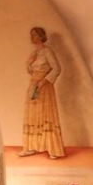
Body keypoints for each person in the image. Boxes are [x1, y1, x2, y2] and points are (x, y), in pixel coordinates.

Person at [21, 26, 65, 158]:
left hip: (44, 86)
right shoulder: (35, 53)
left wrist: (43, 81)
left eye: (35, 35)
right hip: (33, 84)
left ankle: (53, 149)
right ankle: (31, 146)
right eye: (31, 35)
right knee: (32, 113)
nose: (32, 37)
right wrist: (29, 64)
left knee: (46, 114)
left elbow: (56, 68)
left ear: (41, 36)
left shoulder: (47, 51)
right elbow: (31, 71)